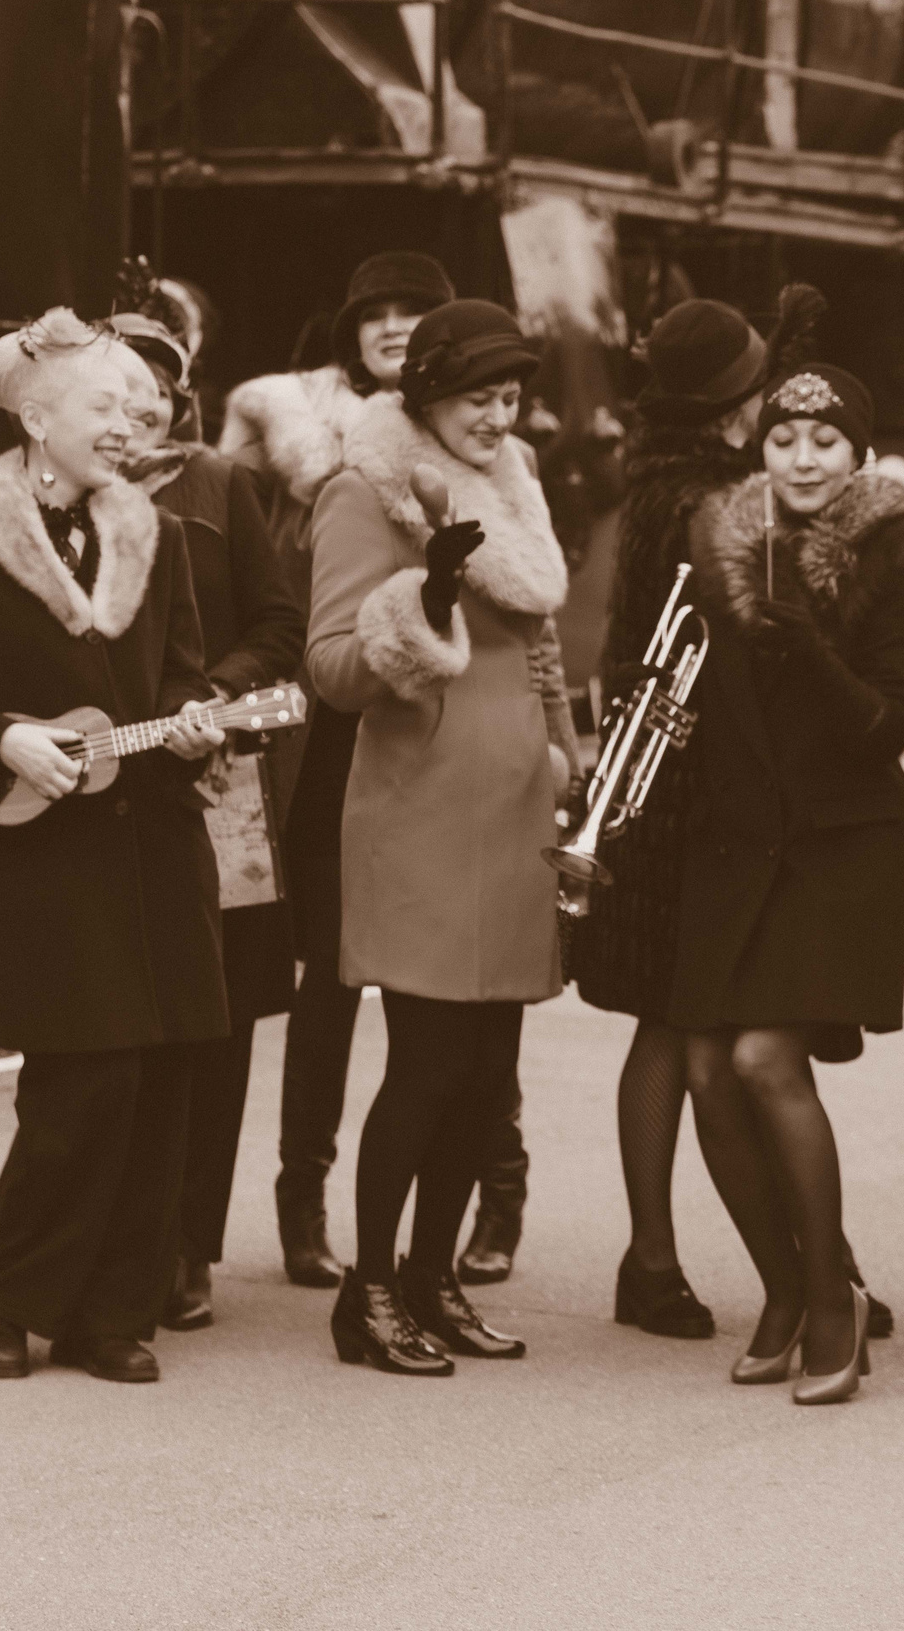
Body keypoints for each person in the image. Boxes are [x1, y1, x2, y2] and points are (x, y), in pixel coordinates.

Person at [0, 310, 230, 1383]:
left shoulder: (157, 537)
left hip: (156, 848)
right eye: (104, 405)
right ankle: (4, 1295)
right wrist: (1, 737)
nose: (129, 423)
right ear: (36, 417)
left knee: (160, 1083)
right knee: (81, 1088)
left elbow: (181, 677)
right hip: (44, 858)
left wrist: (195, 723)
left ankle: (112, 1313)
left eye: (136, 408)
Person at [304, 300, 577, 1375]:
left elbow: (542, 646)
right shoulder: (363, 491)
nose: (499, 419)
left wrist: (568, 754)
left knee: (486, 1071)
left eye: (511, 398)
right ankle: (368, 1290)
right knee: (425, 1065)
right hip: (419, 809)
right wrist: (427, 595)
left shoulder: (514, 478)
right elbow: (332, 669)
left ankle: (432, 1276)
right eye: (479, 398)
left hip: (512, 807)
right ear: (426, 395)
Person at [563, 285, 828, 1340]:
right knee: (701, 1027)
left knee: (670, 1024)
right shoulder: (717, 503)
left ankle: (664, 1256)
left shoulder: (657, 484)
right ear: (734, 408)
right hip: (699, 783)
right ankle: (696, 1259)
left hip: (656, 774)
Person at [667, 364, 904, 1403]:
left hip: (832, 845)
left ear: (859, 452)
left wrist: (814, 649)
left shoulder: (893, 549)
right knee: (704, 1069)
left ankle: (831, 1299)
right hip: (733, 842)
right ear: (760, 448)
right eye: (784, 439)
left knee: (763, 1057)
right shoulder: (720, 542)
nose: (805, 458)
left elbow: (890, 722)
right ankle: (780, 1291)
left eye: (826, 440)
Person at [220, 251, 460, 1289]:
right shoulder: (294, 444)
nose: (393, 327)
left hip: (435, 736)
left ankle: (492, 1189)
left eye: (414, 312)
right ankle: (302, 1198)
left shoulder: (473, 435)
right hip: (327, 734)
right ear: (349, 331)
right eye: (376, 313)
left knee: (455, 984)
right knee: (329, 980)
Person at [113, 315, 307, 1332]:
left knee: (215, 1017)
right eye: (117, 384)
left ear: (179, 398)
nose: (137, 403)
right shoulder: (44, 491)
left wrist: (214, 695)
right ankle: (102, 1236)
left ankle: (190, 1244)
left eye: (155, 384)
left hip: (213, 778)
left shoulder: (221, 487)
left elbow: (279, 627)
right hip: (101, 787)